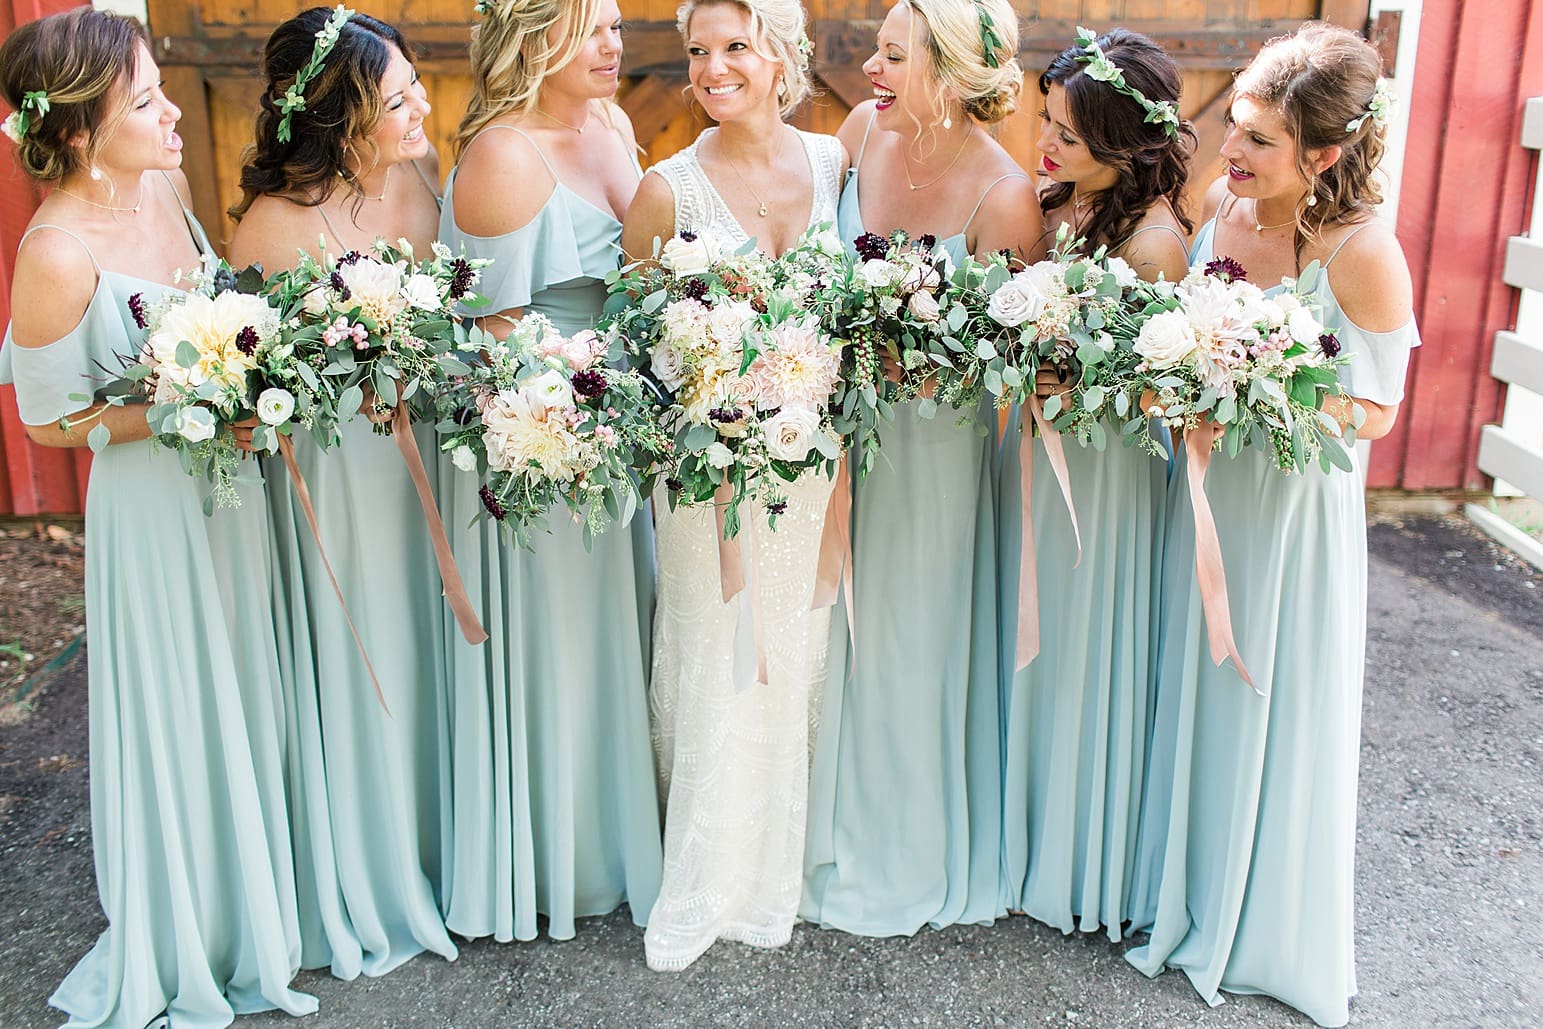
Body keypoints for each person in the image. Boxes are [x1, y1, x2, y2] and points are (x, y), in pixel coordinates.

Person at [0, 9, 315, 1026]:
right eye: (143, 100)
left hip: (232, 485)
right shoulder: (53, 253)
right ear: (81, 128)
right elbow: (51, 421)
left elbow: (217, 313)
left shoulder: (171, 188)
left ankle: (268, 892)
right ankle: (201, 919)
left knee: (250, 677)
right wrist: (179, 410)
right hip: (151, 503)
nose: (173, 110)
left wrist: (244, 373)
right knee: (185, 698)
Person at [1125, 24, 1418, 1028]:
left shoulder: (1362, 255)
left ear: (1324, 156)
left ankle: (1260, 926)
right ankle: (1182, 893)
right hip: (1205, 493)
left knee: (1267, 703)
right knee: (1193, 688)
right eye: (1234, 127)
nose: (1230, 154)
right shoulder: (1218, 207)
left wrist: (1261, 387)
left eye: (1257, 141)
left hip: (1292, 520)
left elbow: (1379, 410)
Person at [226, 7, 459, 979]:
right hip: (338, 477)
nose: (418, 107)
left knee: (438, 647)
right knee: (373, 656)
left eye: (415, 87)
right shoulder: (275, 226)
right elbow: (257, 383)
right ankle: (373, 861)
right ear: (338, 112)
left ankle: (452, 851)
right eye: (395, 96)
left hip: (428, 455)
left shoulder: (419, 181)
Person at [801, 0, 1041, 937]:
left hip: (935, 454)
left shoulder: (1002, 194)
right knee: (831, 634)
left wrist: (917, 356)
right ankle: (810, 829)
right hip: (830, 433)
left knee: (902, 639)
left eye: (893, 55)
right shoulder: (861, 133)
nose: (869, 68)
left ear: (946, 71)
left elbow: (1011, 362)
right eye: (874, 50)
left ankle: (896, 847)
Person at [618, 0, 846, 970]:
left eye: (735, 48)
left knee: (792, 651)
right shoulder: (663, 193)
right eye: (697, 52)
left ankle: (784, 859)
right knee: (715, 647)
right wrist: (711, 407)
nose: (712, 69)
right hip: (708, 467)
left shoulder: (837, 164)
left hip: (813, 462)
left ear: (781, 52)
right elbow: (636, 354)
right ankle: (709, 867)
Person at [436, 0, 663, 944]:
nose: (615, 45)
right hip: (546, 442)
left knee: (628, 630)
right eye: (590, 27)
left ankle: (630, 835)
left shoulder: (609, 124)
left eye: (616, 25)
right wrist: (569, 419)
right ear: (533, 39)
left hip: (622, 429)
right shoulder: (502, 156)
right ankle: (565, 855)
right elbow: (486, 338)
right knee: (563, 643)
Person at [996, 28, 1192, 939]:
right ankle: (1020, 834)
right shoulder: (1057, 205)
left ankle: (1079, 854)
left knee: (1079, 649)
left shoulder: (1154, 243)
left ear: (1129, 141)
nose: (1046, 145)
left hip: (1104, 477)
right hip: (1038, 454)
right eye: (1046, 121)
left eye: (1068, 136)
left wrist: (1068, 376)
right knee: (1028, 637)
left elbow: (1150, 381)